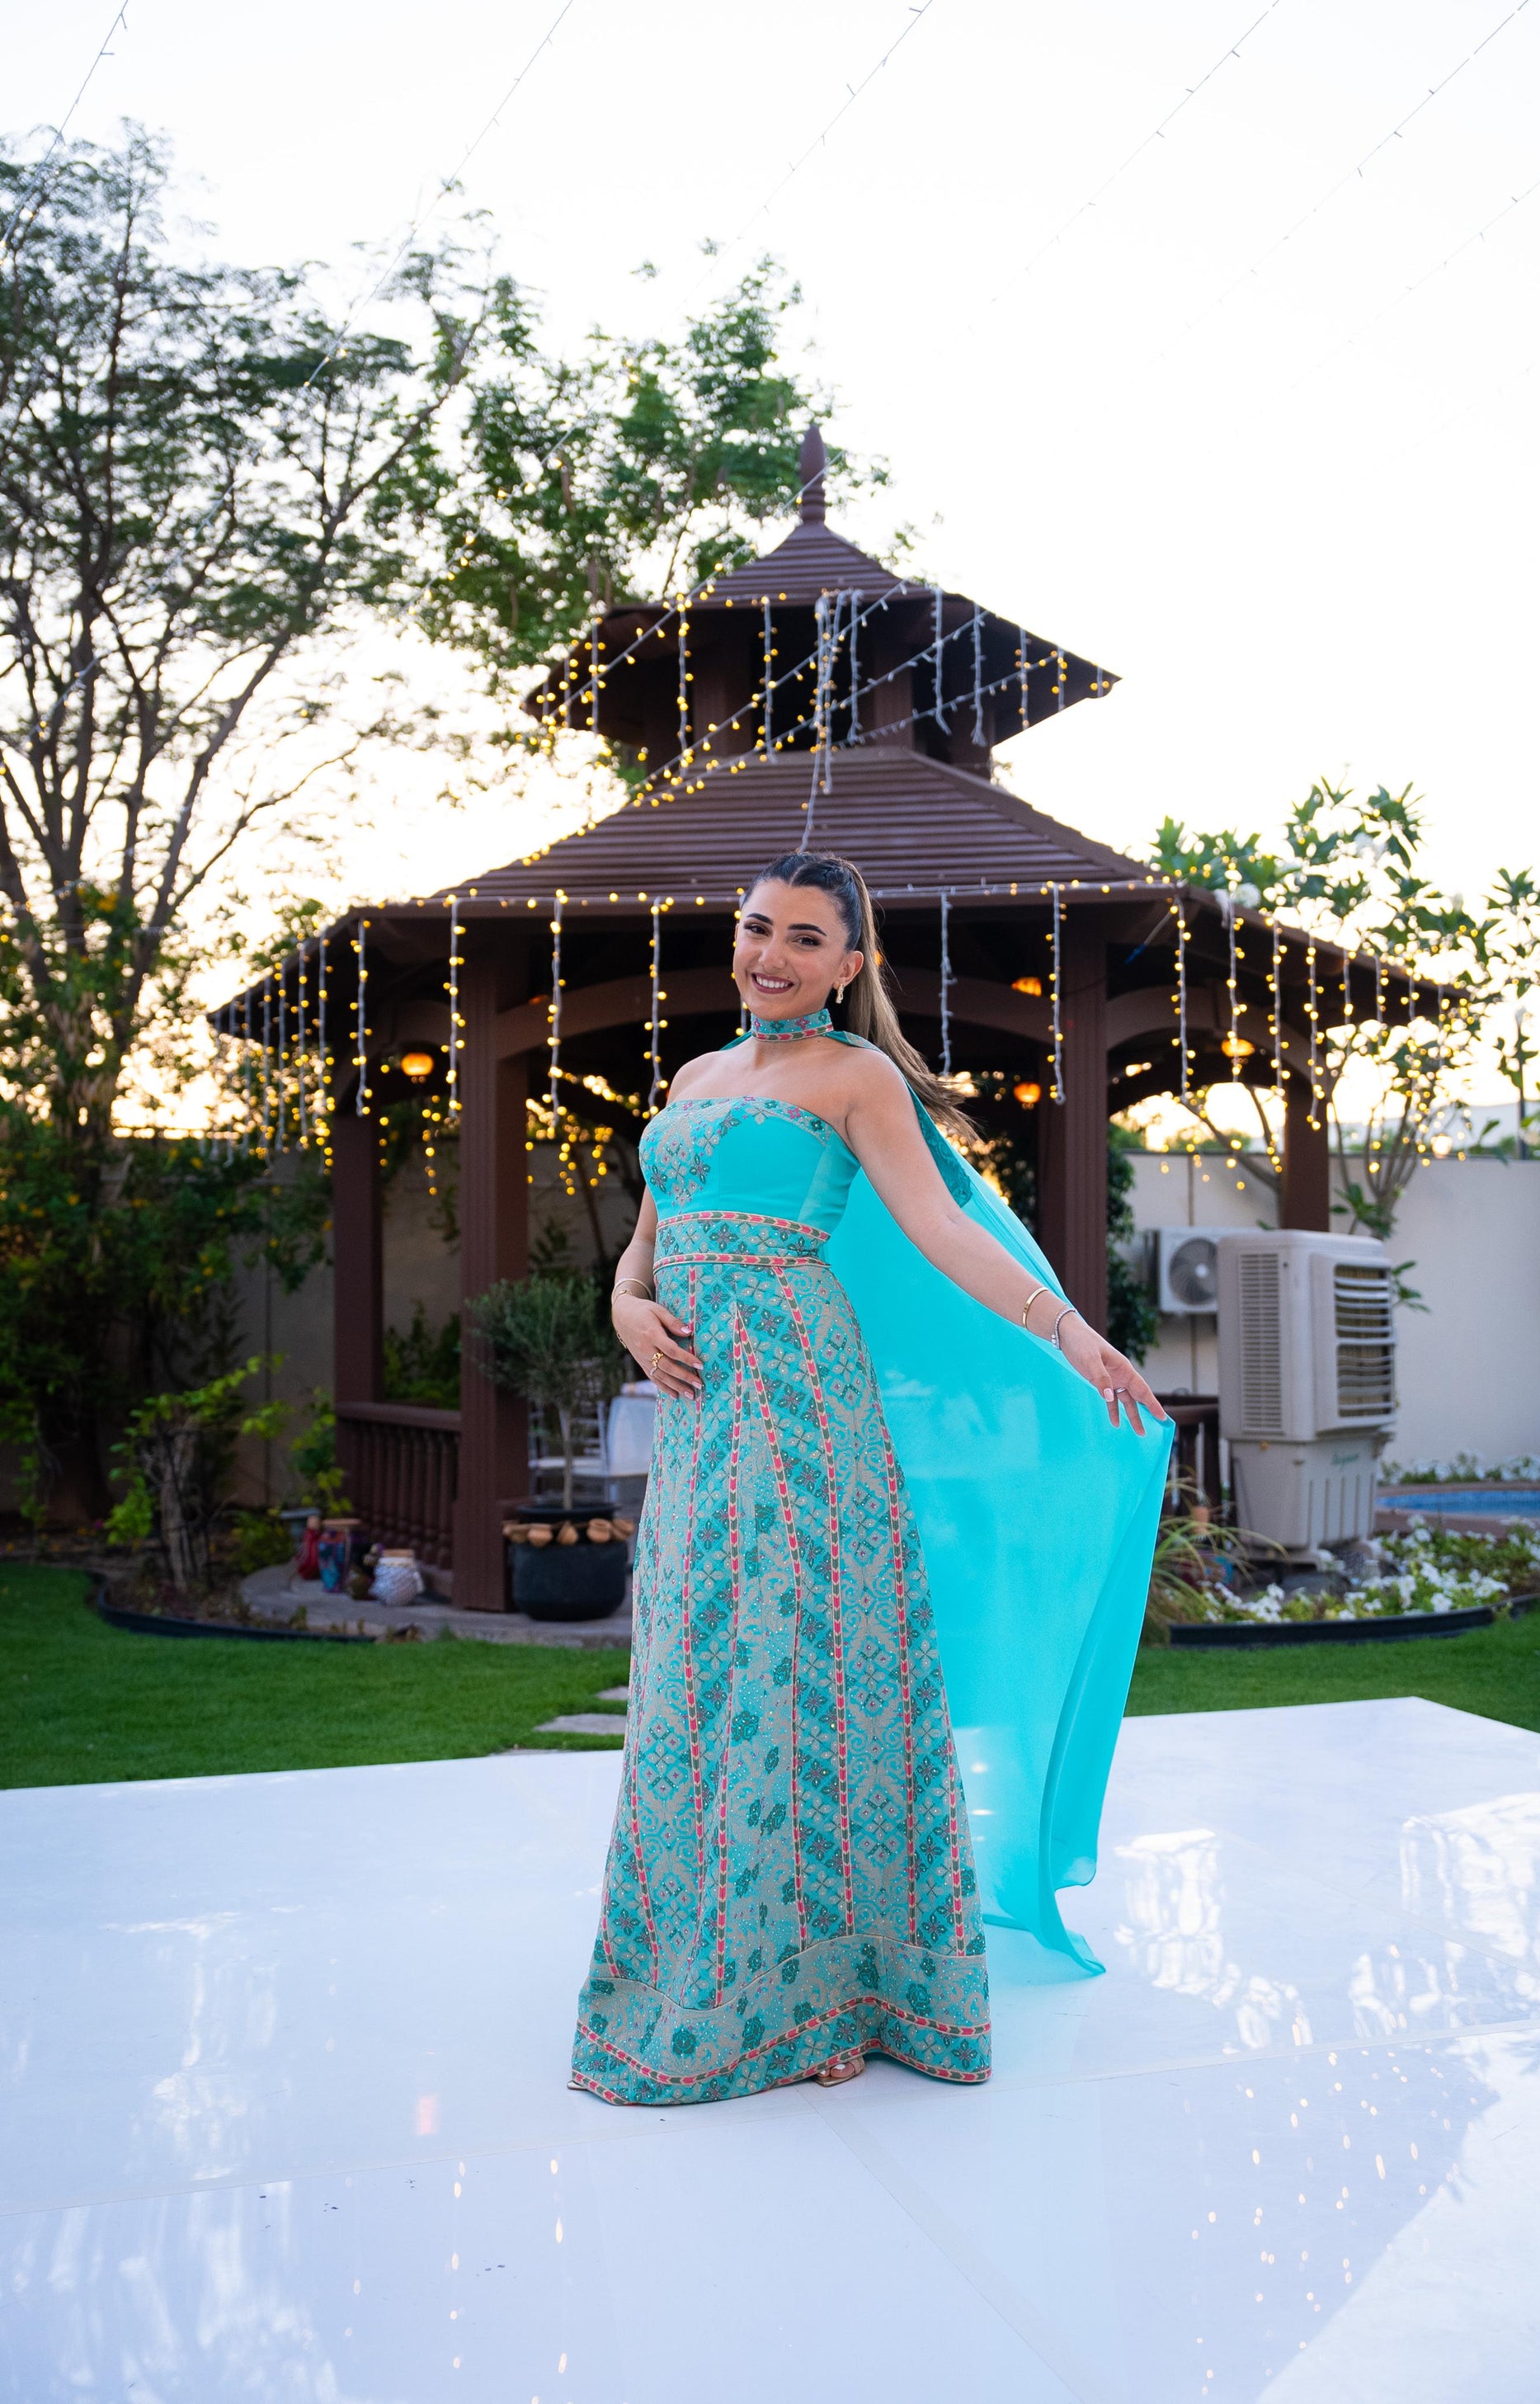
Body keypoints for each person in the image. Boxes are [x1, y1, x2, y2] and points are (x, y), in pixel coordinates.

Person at [571, 850, 1170, 2107]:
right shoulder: (690, 1079)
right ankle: (717, 1967)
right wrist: (624, 1308)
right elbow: (648, 1244)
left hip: (799, 1402)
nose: (769, 955)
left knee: (809, 1678)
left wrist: (1066, 1329)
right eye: (754, 929)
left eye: (801, 938)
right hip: (699, 1415)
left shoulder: (856, 1077)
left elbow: (942, 1227)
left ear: (849, 965)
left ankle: (837, 1986)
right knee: (699, 1665)